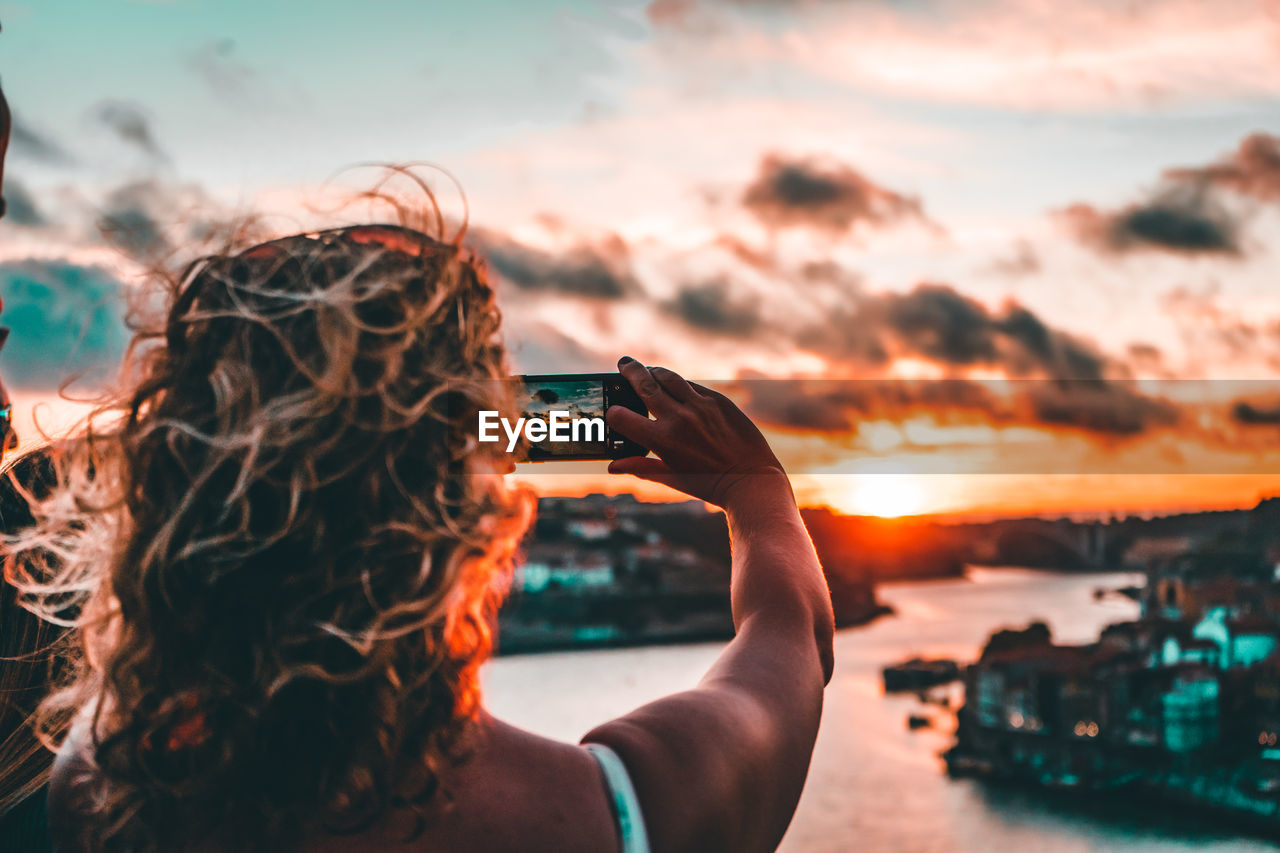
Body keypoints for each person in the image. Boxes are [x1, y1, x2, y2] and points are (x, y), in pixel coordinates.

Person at [11, 221, 834, 852]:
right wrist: (757, 497)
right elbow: (791, 636)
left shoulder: (95, 778)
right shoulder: (601, 812)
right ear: (455, 525)